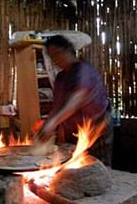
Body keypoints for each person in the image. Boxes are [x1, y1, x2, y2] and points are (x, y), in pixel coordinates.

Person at [35, 35, 113, 166]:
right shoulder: (60, 78)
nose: (53, 59)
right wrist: (46, 127)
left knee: (98, 166)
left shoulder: (84, 71)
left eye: (56, 54)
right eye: (50, 56)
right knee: (75, 164)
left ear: (67, 50)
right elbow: (57, 107)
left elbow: (76, 100)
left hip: (97, 125)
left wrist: (53, 123)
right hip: (74, 129)